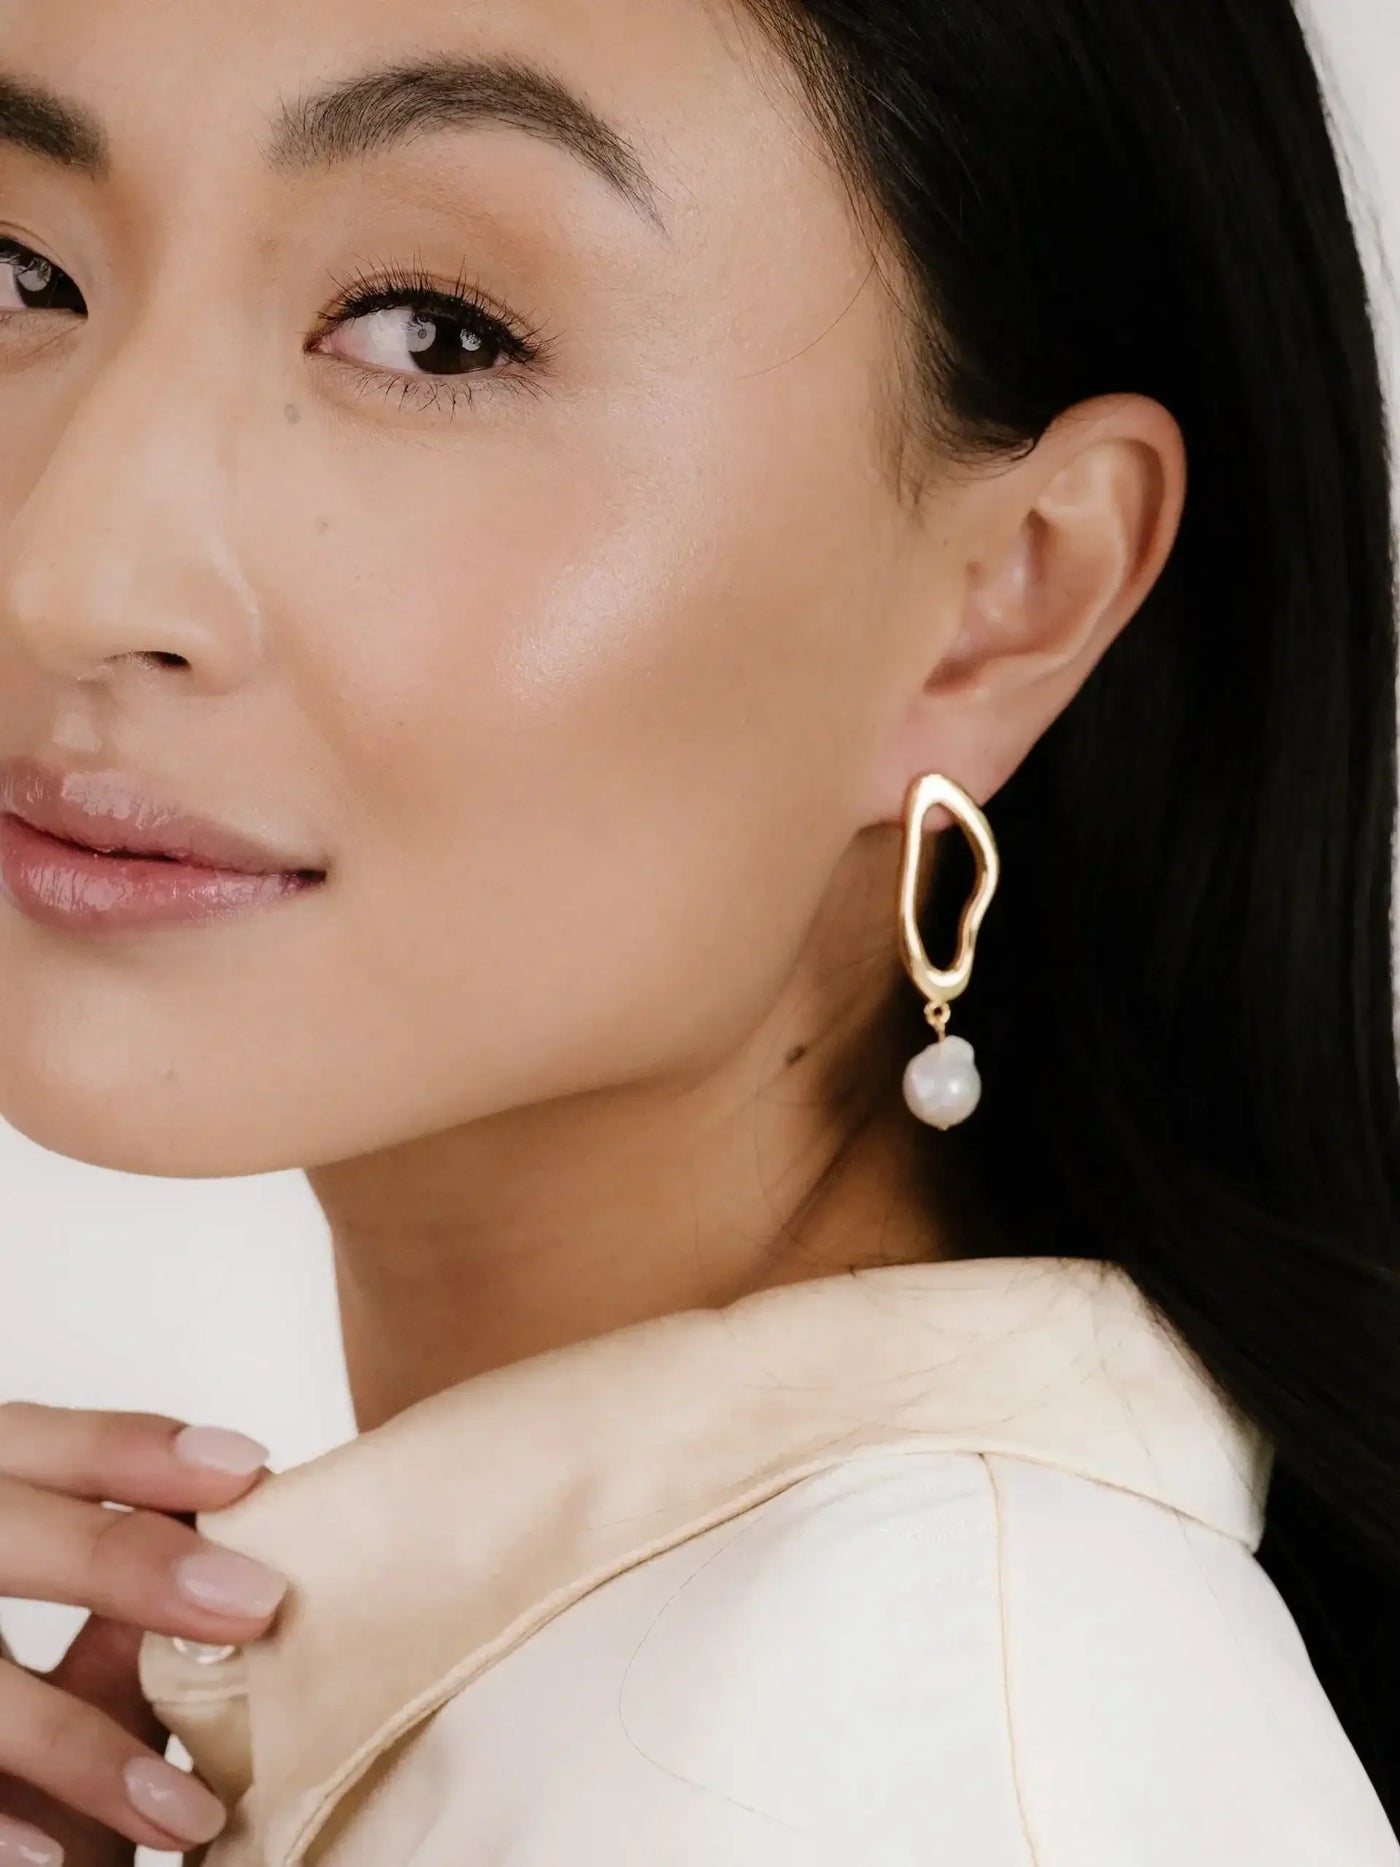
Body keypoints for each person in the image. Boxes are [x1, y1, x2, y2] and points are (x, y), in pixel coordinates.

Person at [0, 0, 1396, 1861]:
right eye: (23, 270)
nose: (66, 574)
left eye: (431, 333)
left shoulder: (900, 1759)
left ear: (1012, 596)